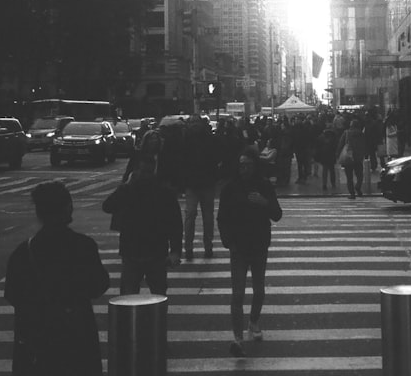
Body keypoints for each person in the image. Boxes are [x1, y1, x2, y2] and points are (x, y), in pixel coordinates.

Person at [5, 181, 110, 376]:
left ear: (39, 213)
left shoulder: (22, 253)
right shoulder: (83, 246)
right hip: (76, 335)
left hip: (38, 338)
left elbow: (12, 294)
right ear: (68, 208)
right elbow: (99, 286)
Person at [217, 145, 283, 357]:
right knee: (237, 293)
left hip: (259, 243)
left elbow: (277, 214)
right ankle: (237, 337)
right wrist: (228, 241)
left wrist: (264, 203)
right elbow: (222, 217)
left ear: (255, 166)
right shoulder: (230, 187)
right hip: (238, 245)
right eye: (241, 165)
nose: (244, 169)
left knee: (259, 290)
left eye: (248, 165)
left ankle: (253, 321)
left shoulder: (263, 186)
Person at [103, 152, 182, 295]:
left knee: (131, 294)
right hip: (151, 248)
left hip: (137, 249)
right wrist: (175, 250)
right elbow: (175, 224)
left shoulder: (130, 190)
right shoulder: (163, 192)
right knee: (156, 293)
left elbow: (108, 206)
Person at [180, 114, 220, 260]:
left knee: (206, 216)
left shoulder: (209, 138)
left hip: (206, 182)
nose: (194, 125)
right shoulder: (185, 139)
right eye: (192, 122)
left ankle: (207, 246)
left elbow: (216, 157)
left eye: (196, 122)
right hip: (192, 183)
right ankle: (189, 248)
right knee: (191, 215)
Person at [337, 118, 369, 199]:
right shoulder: (361, 134)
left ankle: (352, 193)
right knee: (359, 175)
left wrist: (338, 154)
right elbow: (365, 144)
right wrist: (365, 154)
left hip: (348, 157)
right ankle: (358, 186)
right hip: (358, 157)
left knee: (349, 177)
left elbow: (341, 144)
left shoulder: (346, 133)